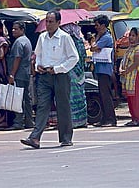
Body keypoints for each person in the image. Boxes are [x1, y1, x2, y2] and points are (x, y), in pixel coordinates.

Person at [20, 10, 79, 149]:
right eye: (46, 21)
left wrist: (59, 68)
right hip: (45, 75)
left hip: (60, 75)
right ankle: (35, 137)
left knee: (63, 106)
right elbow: (38, 54)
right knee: (42, 106)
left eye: (51, 21)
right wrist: (38, 65)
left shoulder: (64, 37)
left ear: (59, 23)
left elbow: (74, 58)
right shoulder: (42, 37)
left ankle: (66, 137)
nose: (48, 24)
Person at [6, 20, 34, 130]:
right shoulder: (27, 41)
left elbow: (17, 59)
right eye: (13, 28)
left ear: (22, 30)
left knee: (18, 98)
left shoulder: (19, 42)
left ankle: (18, 122)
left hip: (19, 74)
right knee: (26, 98)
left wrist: (12, 74)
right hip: (25, 73)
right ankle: (29, 121)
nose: (13, 30)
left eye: (16, 29)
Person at [90, 14, 117, 127]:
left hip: (105, 70)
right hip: (100, 69)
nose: (96, 27)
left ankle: (110, 119)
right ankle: (104, 118)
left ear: (103, 25)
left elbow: (93, 48)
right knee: (102, 94)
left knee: (106, 95)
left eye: (97, 25)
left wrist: (95, 38)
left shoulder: (106, 37)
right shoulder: (102, 36)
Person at [61, 23, 88, 129]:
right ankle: (82, 120)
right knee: (81, 95)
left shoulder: (68, 41)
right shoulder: (80, 40)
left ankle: (74, 121)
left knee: (71, 97)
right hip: (80, 72)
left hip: (70, 72)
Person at [119, 27, 139, 126]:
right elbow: (124, 61)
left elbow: (137, 63)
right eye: (130, 35)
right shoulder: (130, 48)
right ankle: (133, 118)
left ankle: (138, 118)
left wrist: (126, 71)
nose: (131, 38)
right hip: (129, 76)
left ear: (138, 37)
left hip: (136, 76)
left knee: (137, 97)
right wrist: (121, 69)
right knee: (130, 97)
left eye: (133, 36)